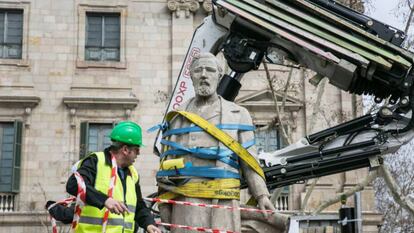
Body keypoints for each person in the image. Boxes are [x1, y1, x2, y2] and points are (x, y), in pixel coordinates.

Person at [157, 53, 275, 232]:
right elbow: (166, 163)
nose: (204, 75)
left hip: (223, 201)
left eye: (210, 70)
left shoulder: (239, 114)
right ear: (191, 76)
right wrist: (164, 204)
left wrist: (261, 195)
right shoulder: (177, 118)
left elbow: (249, 161)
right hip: (186, 203)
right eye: (198, 70)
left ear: (219, 77)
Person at [66, 121, 161, 233]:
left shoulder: (133, 173)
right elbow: (73, 185)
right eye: (136, 149)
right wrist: (104, 200)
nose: (138, 153)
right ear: (125, 150)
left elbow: (139, 205)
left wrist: (148, 223)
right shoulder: (96, 161)